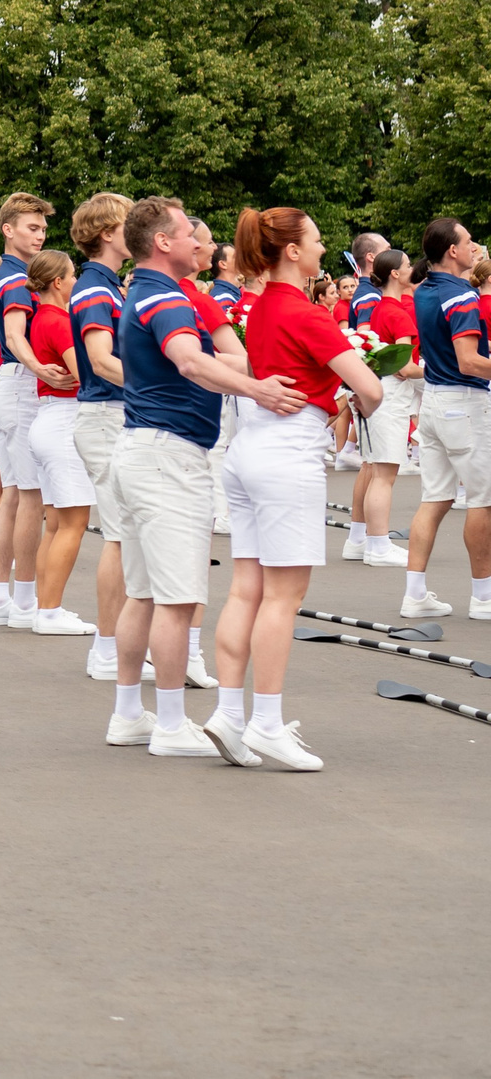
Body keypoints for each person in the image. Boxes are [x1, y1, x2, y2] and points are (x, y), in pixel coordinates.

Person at [105, 196, 305, 760]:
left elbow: (216, 360)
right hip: (167, 457)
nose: (204, 244)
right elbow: (191, 361)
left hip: (146, 450)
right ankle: (170, 724)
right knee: (175, 599)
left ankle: (129, 714)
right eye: (190, 235)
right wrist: (262, 389)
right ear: (163, 243)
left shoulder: (150, 292)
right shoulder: (165, 297)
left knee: (144, 594)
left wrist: (266, 370)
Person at [208, 206, 387, 770]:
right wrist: (347, 390)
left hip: (249, 450)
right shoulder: (309, 314)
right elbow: (371, 391)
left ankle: (231, 714)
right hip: (286, 454)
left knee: (246, 589)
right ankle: (264, 722)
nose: (319, 249)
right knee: (283, 597)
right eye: (314, 241)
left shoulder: (259, 309)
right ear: (291, 251)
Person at [402, 217, 491, 621]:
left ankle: (415, 593)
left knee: (434, 498)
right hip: (464, 405)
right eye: (469, 242)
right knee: (482, 501)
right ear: (452, 250)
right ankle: (483, 598)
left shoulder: (424, 290)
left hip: (435, 402)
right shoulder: (462, 296)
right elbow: (470, 361)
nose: (475, 247)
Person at [67, 194, 136, 678]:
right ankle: (107, 648)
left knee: (126, 536)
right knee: (118, 536)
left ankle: (119, 644)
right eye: (129, 223)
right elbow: (101, 360)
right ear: (108, 233)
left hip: (113, 414)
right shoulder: (95, 288)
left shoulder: (107, 285)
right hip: (105, 415)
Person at [0, 193, 56, 629]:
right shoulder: (16, 279)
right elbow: (14, 335)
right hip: (19, 383)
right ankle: (25, 600)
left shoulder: (15, 275)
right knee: (29, 496)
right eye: (33, 227)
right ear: (8, 230)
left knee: (14, 493)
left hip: (10, 383)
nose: (40, 235)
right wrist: (38, 366)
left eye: (43, 229)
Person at [19, 249, 98, 635]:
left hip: (50, 418)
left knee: (57, 524)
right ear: (58, 282)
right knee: (73, 523)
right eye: (72, 276)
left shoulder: (42, 318)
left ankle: (45, 606)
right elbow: (86, 372)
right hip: (64, 421)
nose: (75, 282)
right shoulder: (59, 320)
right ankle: (49, 610)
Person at [351, 249, 421, 567]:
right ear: (395, 273)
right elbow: (404, 367)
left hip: (378, 392)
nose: (411, 268)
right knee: (384, 474)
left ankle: (362, 539)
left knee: (373, 468)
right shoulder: (398, 313)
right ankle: (378, 545)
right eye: (407, 265)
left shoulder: (379, 310)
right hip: (391, 396)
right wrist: (443, 371)